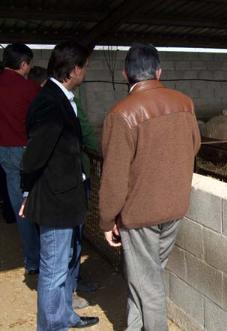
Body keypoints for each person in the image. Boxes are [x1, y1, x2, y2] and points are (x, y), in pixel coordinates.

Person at [99, 44, 201, 331]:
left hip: (140, 214)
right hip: (175, 208)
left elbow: (115, 176)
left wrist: (107, 219)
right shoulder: (184, 103)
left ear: (124, 75)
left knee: (148, 283)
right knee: (146, 277)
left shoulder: (121, 114)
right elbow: (193, 147)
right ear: (158, 71)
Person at [20, 41, 99, 330]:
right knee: (53, 269)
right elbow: (34, 156)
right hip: (56, 199)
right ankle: (52, 326)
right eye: (85, 67)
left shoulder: (60, 98)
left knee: (65, 262)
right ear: (75, 69)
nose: (86, 72)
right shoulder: (50, 103)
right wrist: (28, 190)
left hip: (67, 195)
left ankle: (65, 316)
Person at [0, 43, 41, 273]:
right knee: (40, 202)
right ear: (24, 64)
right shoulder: (29, 89)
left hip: (3, 150)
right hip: (26, 150)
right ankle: (45, 256)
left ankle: (31, 260)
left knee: (19, 206)